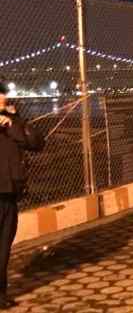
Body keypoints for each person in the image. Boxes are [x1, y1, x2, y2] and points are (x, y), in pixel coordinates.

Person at [0, 81, 44, 308]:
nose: (4, 99)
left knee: (4, 247)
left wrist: (14, 120)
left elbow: (36, 143)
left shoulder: (11, 122)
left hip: (9, 194)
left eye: (3, 95)